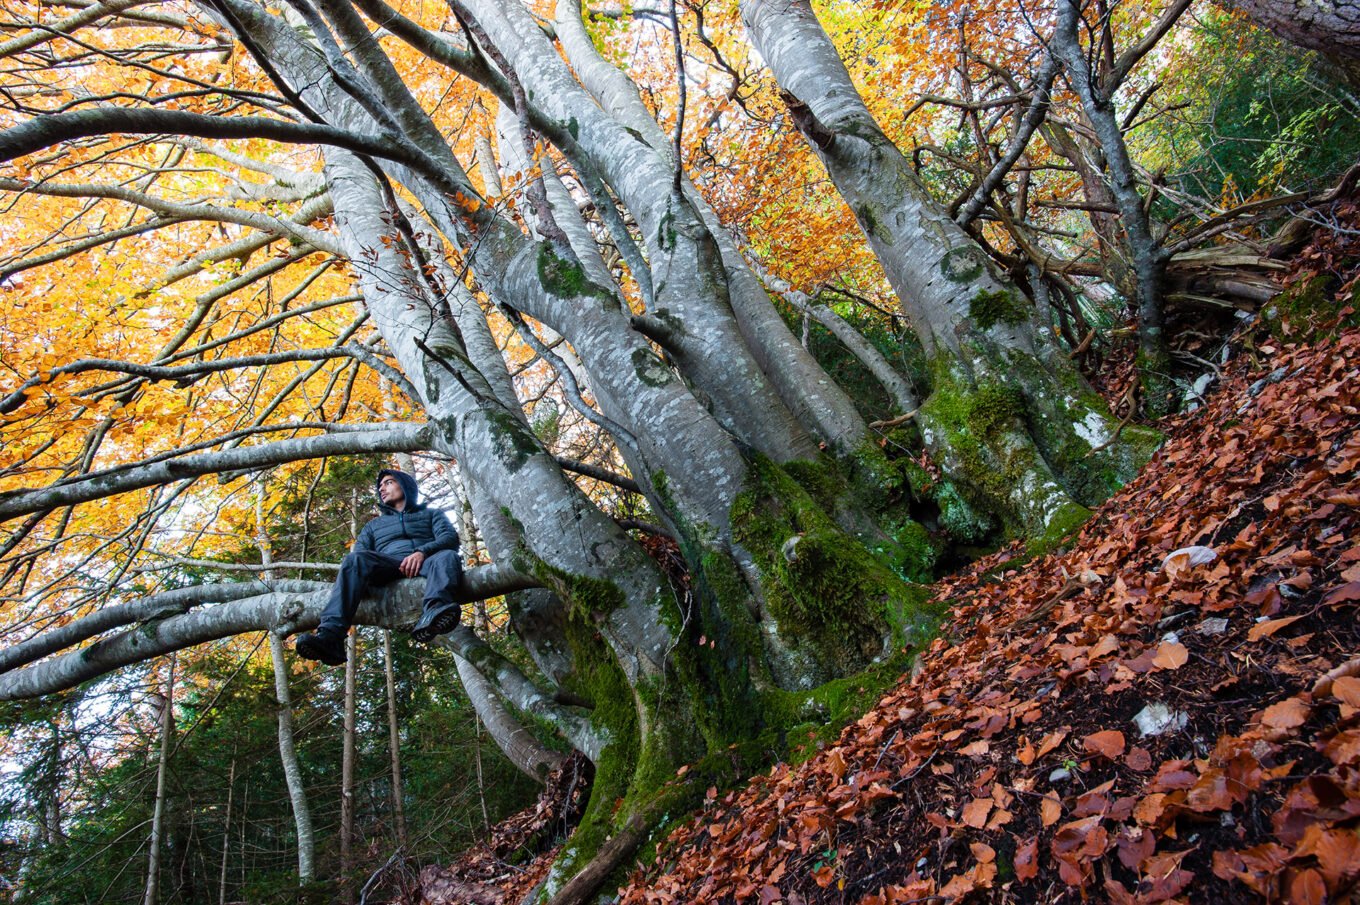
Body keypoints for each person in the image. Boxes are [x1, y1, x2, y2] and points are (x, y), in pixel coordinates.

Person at [295, 469, 463, 665]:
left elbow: (450, 539)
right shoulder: (373, 526)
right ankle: (331, 636)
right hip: (388, 566)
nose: (382, 489)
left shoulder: (432, 514)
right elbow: (359, 557)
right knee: (354, 559)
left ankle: (433, 613)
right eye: (380, 486)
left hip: (427, 562)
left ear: (405, 486)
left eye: (388, 483)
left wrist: (421, 552)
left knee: (448, 556)